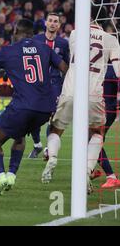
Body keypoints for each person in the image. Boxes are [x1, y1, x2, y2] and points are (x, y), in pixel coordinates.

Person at [0, 19, 68, 195]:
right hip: (45, 109)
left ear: (15, 32)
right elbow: (65, 68)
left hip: (23, 105)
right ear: (33, 34)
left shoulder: (8, 51)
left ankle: (1, 176)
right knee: (19, 137)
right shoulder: (45, 48)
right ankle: (12, 174)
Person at [41, 22, 120, 191]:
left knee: (55, 129)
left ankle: (52, 156)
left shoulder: (75, 34)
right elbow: (118, 70)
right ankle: (86, 171)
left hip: (70, 90)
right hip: (93, 94)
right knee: (97, 134)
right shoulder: (111, 39)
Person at [28, 13, 69, 158]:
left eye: (55, 22)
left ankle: (47, 148)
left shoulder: (64, 44)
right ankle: (37, 144)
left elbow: (67, 66)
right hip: (36, 83)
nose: (52, 23)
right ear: (46, 23)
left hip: (54, 84)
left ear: (59, 25)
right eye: (50, 21)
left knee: (52, 116)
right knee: (33, 116)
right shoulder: (36, 40)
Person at [90, 64, 120, 188]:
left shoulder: (112, 68)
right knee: (94, 141)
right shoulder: (103, 65)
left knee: (92, 141)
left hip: (106, 110)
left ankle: (111, 176)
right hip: (101, 109)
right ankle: (90, 170)